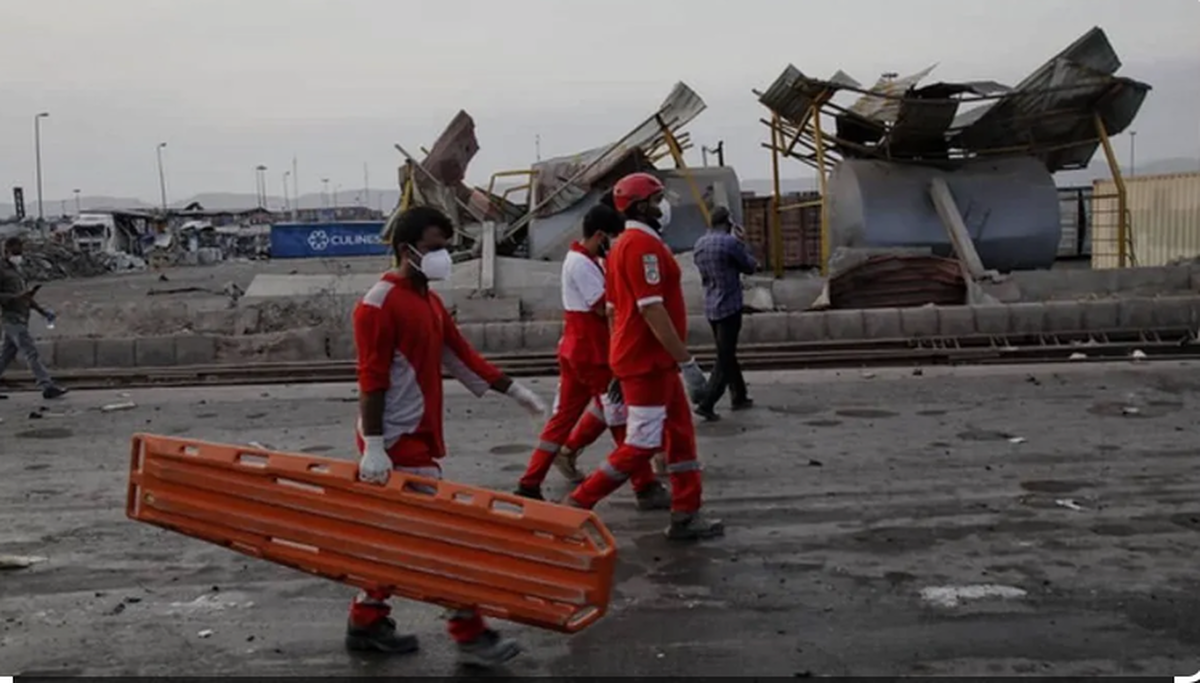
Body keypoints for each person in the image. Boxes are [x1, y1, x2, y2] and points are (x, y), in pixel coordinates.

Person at [349, 206, 549, 668]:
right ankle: (470, 634)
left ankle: (365, 620)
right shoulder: (378, 303)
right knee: (441, 537)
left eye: (447, 248)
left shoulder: (429, 302)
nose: (444, 257)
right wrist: (375, 447)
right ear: (408, 250)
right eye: (435, 248)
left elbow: (460, 356)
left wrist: (514, 391)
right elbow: (371, 380)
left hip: (415, 435)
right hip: (395, 440)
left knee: (400, 537)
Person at [566, 172, 724, 541]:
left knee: (681, 437)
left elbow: (612, 311)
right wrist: (687, 362)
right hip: (648, 361)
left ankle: (686, 511)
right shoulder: (642, 247)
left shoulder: (623, 246)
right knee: (642, 443)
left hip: (648, 360)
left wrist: (619, 361)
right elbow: (651, 308)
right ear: (639, 207)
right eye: (655, 200)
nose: (662, 206)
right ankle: (577, 503)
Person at [515, 204, 670, 511]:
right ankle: (644, 484)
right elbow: (602, 307)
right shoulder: (582, 264)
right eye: (612, 238)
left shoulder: (584, 260)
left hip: (577, 349)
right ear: (600, 235)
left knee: (565, 419)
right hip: (592, 352)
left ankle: (530, 481)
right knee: (619, 417)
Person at [692, 206, 758, 421]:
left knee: (726, 351)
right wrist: (743, 242)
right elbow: (750, 266)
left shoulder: (699, 244)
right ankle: (707, 402)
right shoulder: (729, 243)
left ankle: (739, 395)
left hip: (711, 305)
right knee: (725, 356)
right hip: (730, 306)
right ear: (728, 222)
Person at [0, 237, 67, 400]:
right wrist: (15, 298)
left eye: (20, 252)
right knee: (31, 352)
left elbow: (26, 297)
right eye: (16, 252)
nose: (19, 255)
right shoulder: (1, 270)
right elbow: (11, 296)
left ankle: (47, 385)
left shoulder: (17, 271)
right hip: (12, 319)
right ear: (6, 251)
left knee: (6, 356)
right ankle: (46, 386)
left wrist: (42, 311)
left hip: (22, 317)